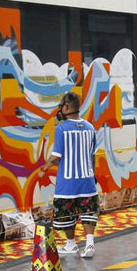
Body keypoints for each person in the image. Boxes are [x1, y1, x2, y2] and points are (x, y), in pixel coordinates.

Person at [38, 92, 99, 258]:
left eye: (61, 106)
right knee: (88, 212)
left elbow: (56, 155)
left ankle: (71, 244)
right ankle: (89, 244)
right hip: (88, 182)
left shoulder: (61, 129)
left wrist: (44, 168)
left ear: (65, 107)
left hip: (67, 184)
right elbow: (92, 154)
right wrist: (93, 174)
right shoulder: (90, 128)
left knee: (66, 214)